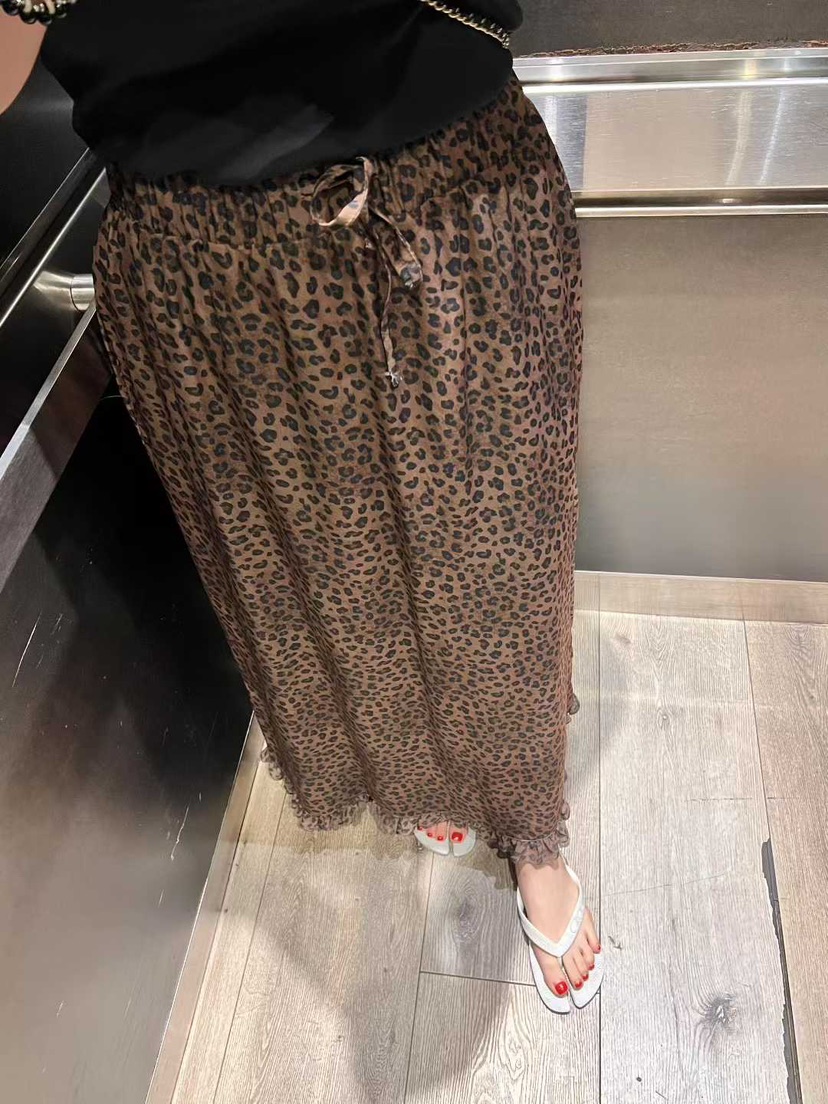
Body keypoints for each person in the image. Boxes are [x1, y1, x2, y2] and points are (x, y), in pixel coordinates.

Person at [1, 0, 602, 1012]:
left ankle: (533, 834)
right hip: (202, 257)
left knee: (500, 579)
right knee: (325, 592)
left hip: (444, 190)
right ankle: (423, 774)